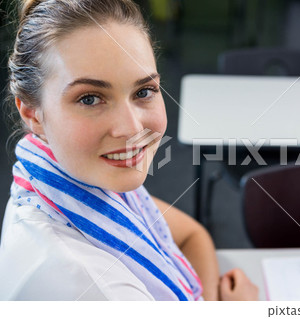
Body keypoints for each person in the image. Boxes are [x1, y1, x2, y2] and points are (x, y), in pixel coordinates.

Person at [0, 0, 258, 301]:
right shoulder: (92, 288)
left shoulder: (64, 178)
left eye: (143, 91)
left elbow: (192, 235)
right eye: (89, 99)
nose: (133, 128)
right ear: (33, 114)